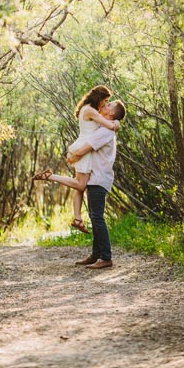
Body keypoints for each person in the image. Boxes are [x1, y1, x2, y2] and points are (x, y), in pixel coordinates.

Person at [32, 85, 120, 234]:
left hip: (81, 144)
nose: (105, 104)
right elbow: (108, 124)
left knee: (79, 184)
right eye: (105, 101)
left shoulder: (87, 108)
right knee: (80, 185)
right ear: (99, 98)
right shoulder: (91, 111)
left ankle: (78, 218)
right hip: (84, 149)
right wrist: (116, 123)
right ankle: (51, 176)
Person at [67, 99, 126, 269]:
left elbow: (86, 148)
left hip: (99, 177)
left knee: (97, 217)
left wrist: (72, 156)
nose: (104, 106)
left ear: (112, 113)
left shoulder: (105, 132)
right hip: (96, 176)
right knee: (95, 216)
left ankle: (106, 257)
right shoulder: (106, 127)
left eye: (108, 105)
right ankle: (96, 255)